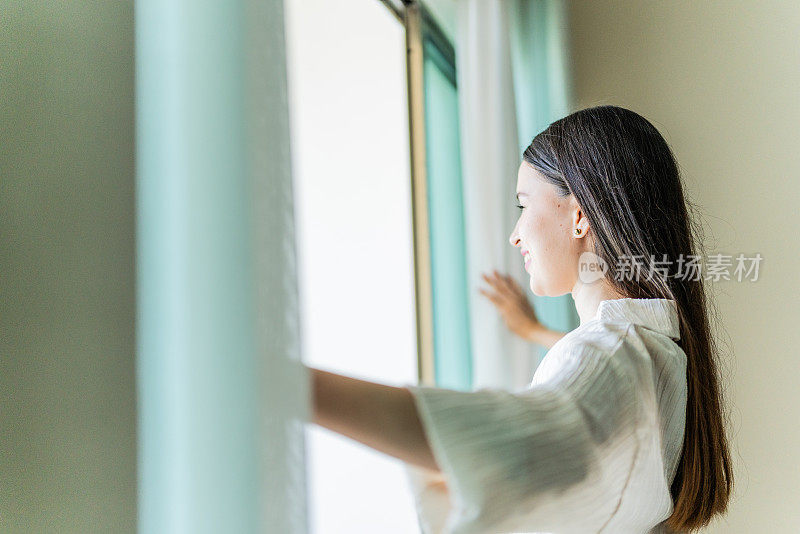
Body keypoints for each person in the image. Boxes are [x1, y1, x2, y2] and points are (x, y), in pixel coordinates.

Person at [307, 105, 732, 533]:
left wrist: (300, 387)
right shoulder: (657, 348)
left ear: (579, 215)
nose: (516, 233)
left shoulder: (616, 352)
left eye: (524, 205)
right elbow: (603, 387)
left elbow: (522, 440)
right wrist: (534, 332)